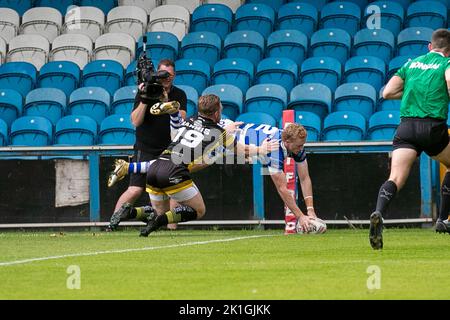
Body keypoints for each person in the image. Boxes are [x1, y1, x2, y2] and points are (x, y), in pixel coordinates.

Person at [108, 110, 320, 234]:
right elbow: (283, 189)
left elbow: (305, 176)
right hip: (226, 140)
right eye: (300, 145)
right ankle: (130, 167)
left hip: (230, 134)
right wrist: (300, 216)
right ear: (288, 140)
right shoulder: (276, 148)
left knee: (179, 161)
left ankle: (130, 170)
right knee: (186, 164)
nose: (302, 148)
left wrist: (310, 210)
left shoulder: (291, 142)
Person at [369, 29, 450, 250]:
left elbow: (386, 93)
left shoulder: (412, 64)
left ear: (429, 46)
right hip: (433, 127)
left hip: (406, 127)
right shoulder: (446, 64)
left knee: (395, 177)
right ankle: (442, 220)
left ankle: (379, 213)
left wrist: (408, 94)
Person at [106, 59, 187, 231]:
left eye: (169, 76)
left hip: (170, 149)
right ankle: (112, 225)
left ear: (174, 76)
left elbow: (182, 118)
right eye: (162, 75)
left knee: (174, 190)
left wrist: (166, 100)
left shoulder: (179, 94)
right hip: (146, 148)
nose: (165, 79)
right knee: (135, 189)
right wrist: (145, 99)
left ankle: (171, 229)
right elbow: (135, 121)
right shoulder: (146, 92)